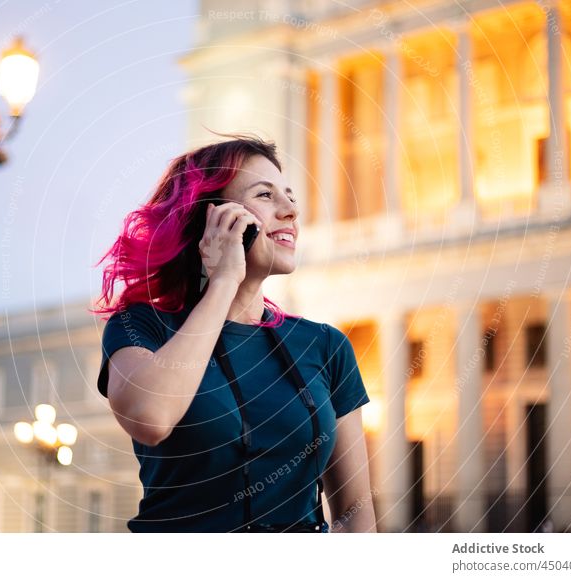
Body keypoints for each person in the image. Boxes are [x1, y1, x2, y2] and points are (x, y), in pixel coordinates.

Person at [92, 135, 376, 533]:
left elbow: (355, 515)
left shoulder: (325, 346)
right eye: (265, 195)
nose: (291, 210)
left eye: (290, 196)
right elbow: (150, 417)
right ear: (209, 219)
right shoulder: (142, 325)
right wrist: (224, 279)